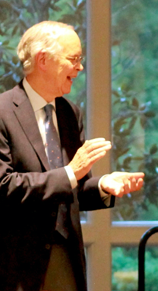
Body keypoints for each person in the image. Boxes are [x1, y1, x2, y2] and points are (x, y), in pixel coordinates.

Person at [0, 21, 144, 291]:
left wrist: (103, 186)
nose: (80, 67)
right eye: (74, 59)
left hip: (67, 258)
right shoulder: (3, 111)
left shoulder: (69, 112)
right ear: (43, 60)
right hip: (16, 265)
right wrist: (70, 173)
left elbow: (72, 187)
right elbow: (4, 187)